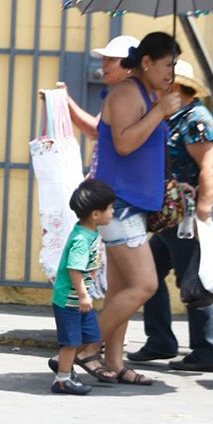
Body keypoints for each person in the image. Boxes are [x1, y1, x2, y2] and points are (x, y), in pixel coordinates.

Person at [73, 31, 183, 385]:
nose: (172, 72)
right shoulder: (125, 93)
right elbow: (123, 143)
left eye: (175, 65)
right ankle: (83, 348)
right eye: (168, 64)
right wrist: (160, 111)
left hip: (131, 205)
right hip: (119, 205)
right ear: (147, 63)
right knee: (145, 284)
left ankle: (115, 362)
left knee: (122, 292)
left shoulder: (147, 94)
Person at [128, 60, 213, 372]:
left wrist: (203, 213)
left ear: (177, 87)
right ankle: (161, 341)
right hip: (173, 216)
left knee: (194, 282)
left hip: (190, 216)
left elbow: (210, 166)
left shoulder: (195, 119)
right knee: (149, 275)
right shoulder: (173, 117)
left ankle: (206, 352)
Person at [48, 179, 116, 395]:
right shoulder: (81, 240)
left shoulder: (90, 233)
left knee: (91, 337)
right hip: (70, 301)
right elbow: (74, 269)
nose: (113, 212)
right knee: (71, 342)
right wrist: (84, 295)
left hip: (79, 300)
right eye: (110, 208)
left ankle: (60, 362)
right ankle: (62, 380)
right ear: (96, 214)